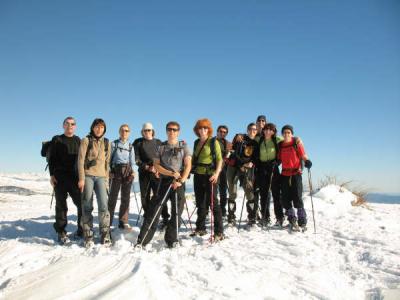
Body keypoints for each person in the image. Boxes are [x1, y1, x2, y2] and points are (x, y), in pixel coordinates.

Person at [136, 121, 192, 248]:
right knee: (155, 209)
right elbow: (157, 165)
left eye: (175, 129)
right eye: (169, 129)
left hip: (179, 182)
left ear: (178, 131)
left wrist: (181, 180)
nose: (172, 131)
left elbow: (188, 165)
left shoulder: (184, 146)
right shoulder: (160, 147)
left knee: (177, 211)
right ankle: (142, 240)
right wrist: (171, 173)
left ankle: (171, 240)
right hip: (164, 181)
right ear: (166, 131)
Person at [48, 116, 83, 244]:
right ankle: (61, 231)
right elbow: (51, 159)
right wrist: (52, 175)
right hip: (60, 177)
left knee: (81, 204)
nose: (70, 126)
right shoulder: (57, 139)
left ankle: (81, 230)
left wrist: (82, 178)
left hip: (75, 178)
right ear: (63, 125)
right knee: (61, 206)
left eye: (72, 124)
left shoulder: (78, 140)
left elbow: (81, 161)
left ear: (75, 126)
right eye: (67, 123)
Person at [78, 118, 112, 247]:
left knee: (104, 205)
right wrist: (81, 178)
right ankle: (88, 234)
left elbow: (107, 163)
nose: (99, 129)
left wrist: (107, 181)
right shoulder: (86, 140)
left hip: (101, 177)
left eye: (102, 127)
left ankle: (105, 233)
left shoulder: (107, 143)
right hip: (88, 176)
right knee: (87, 205)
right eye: (97, 127)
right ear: (93, 127)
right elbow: (80, 161)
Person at [191, 119, 224, 240]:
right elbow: (194, 158)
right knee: (200, 202)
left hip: (210, 175)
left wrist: (216, 173)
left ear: (208, 129)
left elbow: (220, 159)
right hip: (198, 175)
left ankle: (219, 232)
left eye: (205, 128)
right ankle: (200, 228)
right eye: (200, 128)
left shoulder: (213, 142)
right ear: (197, 130)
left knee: (213, 203)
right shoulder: (196, 142)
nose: (203, 130)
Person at [278, 124, 312, 231]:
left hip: (296, 174)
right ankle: (292, 219)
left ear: (292, 134)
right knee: (285, 199)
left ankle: (302, 221)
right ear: (282, 134)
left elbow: (303, 155)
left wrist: (307, 161)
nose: (286, 134)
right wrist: (275, 163)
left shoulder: (296, 143)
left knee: (297, 197)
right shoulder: (281, 145)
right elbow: (279, 158)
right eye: (284, 132)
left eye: (289, 132)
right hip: (284, 174)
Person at [133, 123, 168, 226]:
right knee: (145, 196)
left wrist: (159, 169)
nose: (147, 132)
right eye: (145, 130)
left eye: (149, 130)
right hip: (144, 172)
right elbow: (136, 159)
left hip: (157, 173)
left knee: (160, 195)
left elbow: (164, 158)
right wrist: (147, 167)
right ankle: (148, 216)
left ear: (152, 131)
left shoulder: (158, 142)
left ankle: (165, 217)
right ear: (142, 132)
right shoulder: (138, 142)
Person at [226, 123, 258, 226]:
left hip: (246, 170)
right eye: (251, 129)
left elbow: (255, 157)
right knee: (232, 193)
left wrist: (251, 163)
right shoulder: (240, 138)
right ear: (247, 130)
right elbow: (234, 153)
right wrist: (242, 164)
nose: (252, 131)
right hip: (233, 167)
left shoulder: (255, 143)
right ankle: (231, 217)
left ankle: (252, 217)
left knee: (249, 192)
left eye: (254, 129)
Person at [255, 123, 284, 227]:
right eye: (266, 129)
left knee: (276, 193)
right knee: (264, 194)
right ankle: (265, 217)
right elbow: (249, 141)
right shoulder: (259, 140)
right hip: (262, 168)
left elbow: (289, 139)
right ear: (263, 131)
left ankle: (279, 217)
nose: (267, 131)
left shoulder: (277, 140)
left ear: (273, 131)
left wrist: (298, 139)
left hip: (273, 167)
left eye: (270, 130)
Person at [108, 124, 135, 230]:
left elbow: (132, 161)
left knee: (126, 197)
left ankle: (123, 221)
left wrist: (133, 173)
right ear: (119, 132)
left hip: (127, 172)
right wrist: (109, 171)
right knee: (112, 197)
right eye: (123, 130)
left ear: (129, 133)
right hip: (116, 171)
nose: (125, 132)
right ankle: (108, 221)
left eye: (127, 131)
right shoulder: (113, 144)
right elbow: (108, 159)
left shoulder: (130, 146)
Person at [216, 125, 231, 217]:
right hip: (213, 169)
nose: (222, 133)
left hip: (225, 169)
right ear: (217, 131)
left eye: (224, 132)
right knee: (211, 191)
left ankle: (222, 210)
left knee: (223, 191)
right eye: (221, 131)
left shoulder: (228, 143)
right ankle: (208, 210)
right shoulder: (212, 141)